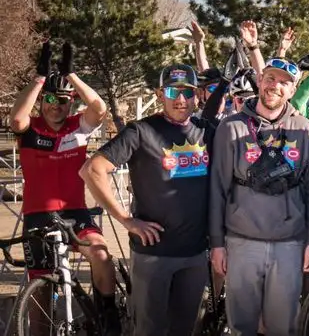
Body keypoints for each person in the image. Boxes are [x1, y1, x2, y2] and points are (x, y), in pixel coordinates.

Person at [81, 64, 214, 336]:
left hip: (196, 253)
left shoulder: (207, 131)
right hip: (154, 253)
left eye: (187, 93)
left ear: (197, 96)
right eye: (172, 92)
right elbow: (92, 169)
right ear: (159, 94)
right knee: (150, 329)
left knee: (186, 329)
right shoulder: (140, 131)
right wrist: (126, 220)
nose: (180, 100)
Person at [10, 41, 120, 335]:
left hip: (76, 212)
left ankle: (108, 315)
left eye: (62, 100)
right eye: (49, 99)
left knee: (101, 255)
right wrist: (39, 79)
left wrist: (71, 76)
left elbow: (99, 108)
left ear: (71, 102)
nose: (55, 105)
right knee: (40, 300)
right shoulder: (31, 128)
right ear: (41, 100)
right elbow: (16, 119)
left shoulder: (78, 126)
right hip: (38, 216)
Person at [209, 57, 309, 336]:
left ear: (293, 90)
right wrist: (216, 244)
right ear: (260, 81)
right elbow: (217, 189)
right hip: (242, 243)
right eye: (270, 78)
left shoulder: (304, 129)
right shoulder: (231, 127)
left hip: (289, 244)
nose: (276, 86)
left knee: (283, 326)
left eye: (284, 82)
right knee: (242, 325)